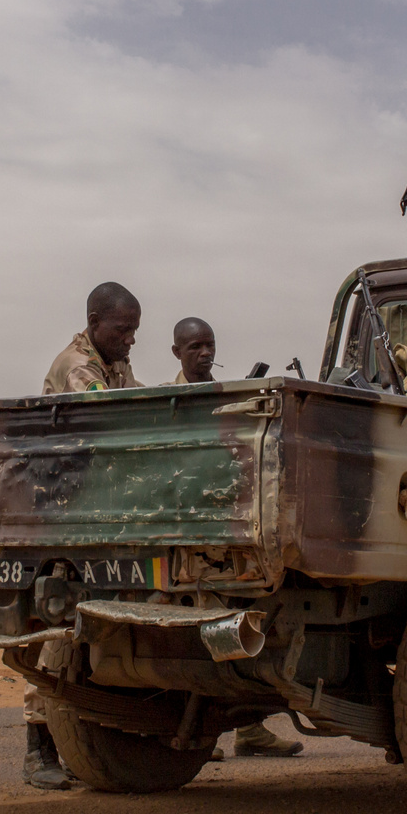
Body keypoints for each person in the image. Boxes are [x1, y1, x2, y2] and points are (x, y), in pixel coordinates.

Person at [161, 318, 304, 760]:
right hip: (182, 533)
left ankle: (249, 729)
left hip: (227, 532)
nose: (204, 353)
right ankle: (199, 734)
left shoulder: (228, 399)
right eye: (195, 346)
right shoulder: (168, 401)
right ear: (176, 352)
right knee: (195, 637)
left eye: (210, 345)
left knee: (240, 625)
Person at [22, 282, 142, 789]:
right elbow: (111, 419)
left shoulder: (111, 362)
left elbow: (136, 401)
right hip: (66, 509)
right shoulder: (79, 365)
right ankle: (39, 748)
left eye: (135, 331)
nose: (131, 340)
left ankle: (83, 743)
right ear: (96, 322)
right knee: (60, 625)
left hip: (98, 506)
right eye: (123, 329)